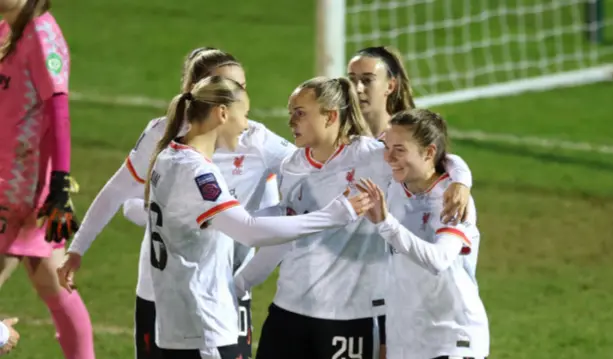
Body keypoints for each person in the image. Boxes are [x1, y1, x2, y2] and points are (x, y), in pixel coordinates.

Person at [59, 47, 293, 359]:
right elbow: (117, 192)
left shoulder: (257, 140)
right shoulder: (163, 135)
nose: (236, 97)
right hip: (160, 290)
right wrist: (78, 248)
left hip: (224, 291)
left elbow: (311, 167)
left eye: (241, 87)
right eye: (226, 88)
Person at [234, 76, 472, 359]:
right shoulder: (292, 165)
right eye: (291, 113)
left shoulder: (372, 157)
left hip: (350, 316)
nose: (291, 121)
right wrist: (241, 283)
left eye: (300, 113)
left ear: (330, 116)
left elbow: (431, 159)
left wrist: (460, 180)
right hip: (288, 309)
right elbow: (286, 234)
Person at [144, 75, 372, 359]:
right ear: (223, 113)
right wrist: (334, 214)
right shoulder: (198, 172)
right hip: (204, 323)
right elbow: (249, 230)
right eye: (246, 115)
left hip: (177, 324)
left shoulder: (167, 157)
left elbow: (238, 220)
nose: (247, 126)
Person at [0, 1, 94, 358]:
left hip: (21, 189)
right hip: (8, 176)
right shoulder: (8, 30)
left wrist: (59, 184)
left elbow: (59, 112)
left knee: (52, 281)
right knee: (52, 281)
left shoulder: (41, 35)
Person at [356, 109, 489, 359]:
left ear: (428, 153)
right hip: (406, 342)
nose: (389, 157)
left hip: (452, 340)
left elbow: (437, 260)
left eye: (400, 149)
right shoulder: (395, 185)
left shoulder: (452, 199)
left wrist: (386, 223)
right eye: (387, 147)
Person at [347, 45, 466, 227]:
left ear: (390, 85)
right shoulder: (341, 134)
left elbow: (444, 159)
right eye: (352, 80)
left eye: (367, 80)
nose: (358, 88)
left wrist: (461, 182)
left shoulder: (405, 133)